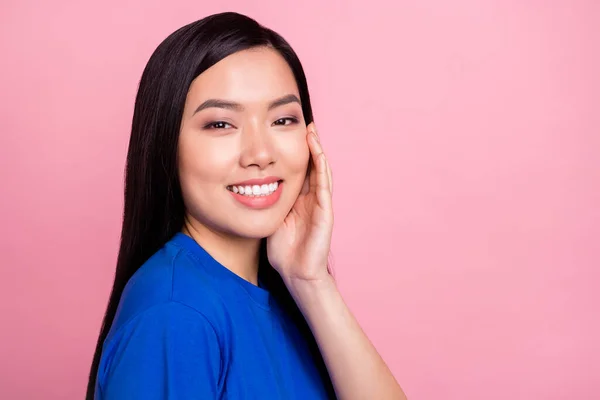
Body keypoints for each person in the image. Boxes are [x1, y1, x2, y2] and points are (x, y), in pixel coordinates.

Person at [86, 11, 406, 400]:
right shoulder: (175, 317)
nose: (260, 153)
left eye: (283, 119)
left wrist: (311, 281)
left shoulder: (281, 295)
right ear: (166, 145)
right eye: (221, 124)